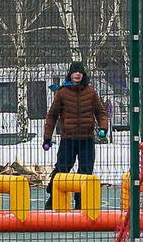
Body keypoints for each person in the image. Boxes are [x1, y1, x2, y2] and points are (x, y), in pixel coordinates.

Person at [44, 61, 110, 189]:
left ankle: (81, 202)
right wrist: (47, 137)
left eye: (80, 72)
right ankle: (52, 198)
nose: (77, 74)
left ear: (83, 75)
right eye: (75, 72)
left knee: (85, 172)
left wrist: (103, 127)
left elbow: (101, 112)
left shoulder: (91, 92)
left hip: (86, 139)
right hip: (68, 139)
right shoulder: (62, 93)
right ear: (70, 74)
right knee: (62, 169)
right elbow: (52, 115)